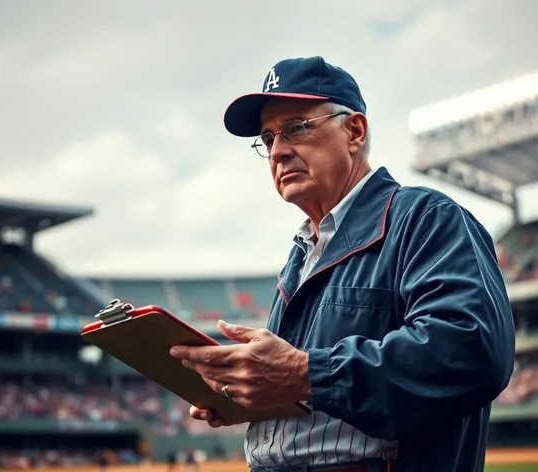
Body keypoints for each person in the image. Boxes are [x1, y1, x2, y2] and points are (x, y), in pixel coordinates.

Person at [169, 56, 516, 472]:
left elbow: (472, 350)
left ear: (354, 131)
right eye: (267, 138)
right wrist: (249, 394)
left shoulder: (424, 217)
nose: (278, 151)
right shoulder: (301, 253)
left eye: (295, 128)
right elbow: (312, 397)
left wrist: (304, 373)